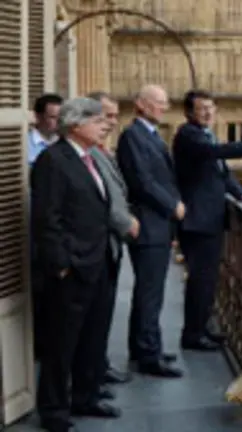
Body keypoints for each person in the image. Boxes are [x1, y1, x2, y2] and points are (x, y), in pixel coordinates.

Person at [32, 97, 120, 432]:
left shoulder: (89, 158)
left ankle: (86, 397)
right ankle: (53, 411)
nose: (105, 125)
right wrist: (62, 265)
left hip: (97, 263)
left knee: (91, 338)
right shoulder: (53, 161)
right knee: (61, 343)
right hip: (72, 269)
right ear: (76, 124)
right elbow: (47, 219)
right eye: (97, 121)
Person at [172, 89, 242, 350]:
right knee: (201, 280)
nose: (209, 112)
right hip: (198, 222)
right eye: (202, 109)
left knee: (207, 280)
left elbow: (221, 173)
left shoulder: (204, 134)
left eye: (212, 107)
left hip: (207, 220)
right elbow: (216, 154)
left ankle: (202, 327)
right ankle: (193, 335)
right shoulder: (188, 135)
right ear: (189, 113)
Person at [116, 84, 184, 378]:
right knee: (150, 293)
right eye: (158, 102)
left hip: (156, 224)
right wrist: (173, 205)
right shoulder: (133, 136)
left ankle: (144, 346)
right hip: (149, 223)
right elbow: (142, 181)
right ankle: (148, 355)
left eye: (165, 103)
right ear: (141, 104)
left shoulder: (148, 136)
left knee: (149, 291)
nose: (164, 108)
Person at [86, 91, 137, 387]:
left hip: (109, 245)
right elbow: (105, 199)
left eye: (116, 116)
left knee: (102, 315)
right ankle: (91, 374)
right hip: (99, 245)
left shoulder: (102, 151)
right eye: (106, 116)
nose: (112, 122)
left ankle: (98, 367)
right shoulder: (89, 154)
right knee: (95, 317)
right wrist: (127, 222)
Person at [29, 93, 63, 360]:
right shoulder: (22, 145)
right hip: (27, 228)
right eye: (52, 117)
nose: (56, 123)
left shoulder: (64, 149)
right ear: (38, 117)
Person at [28, 93, 63, 165]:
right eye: (53, 117)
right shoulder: (24, 143)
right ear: (38, 116)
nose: (59, 121)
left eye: (61, 117)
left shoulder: (67, 142)